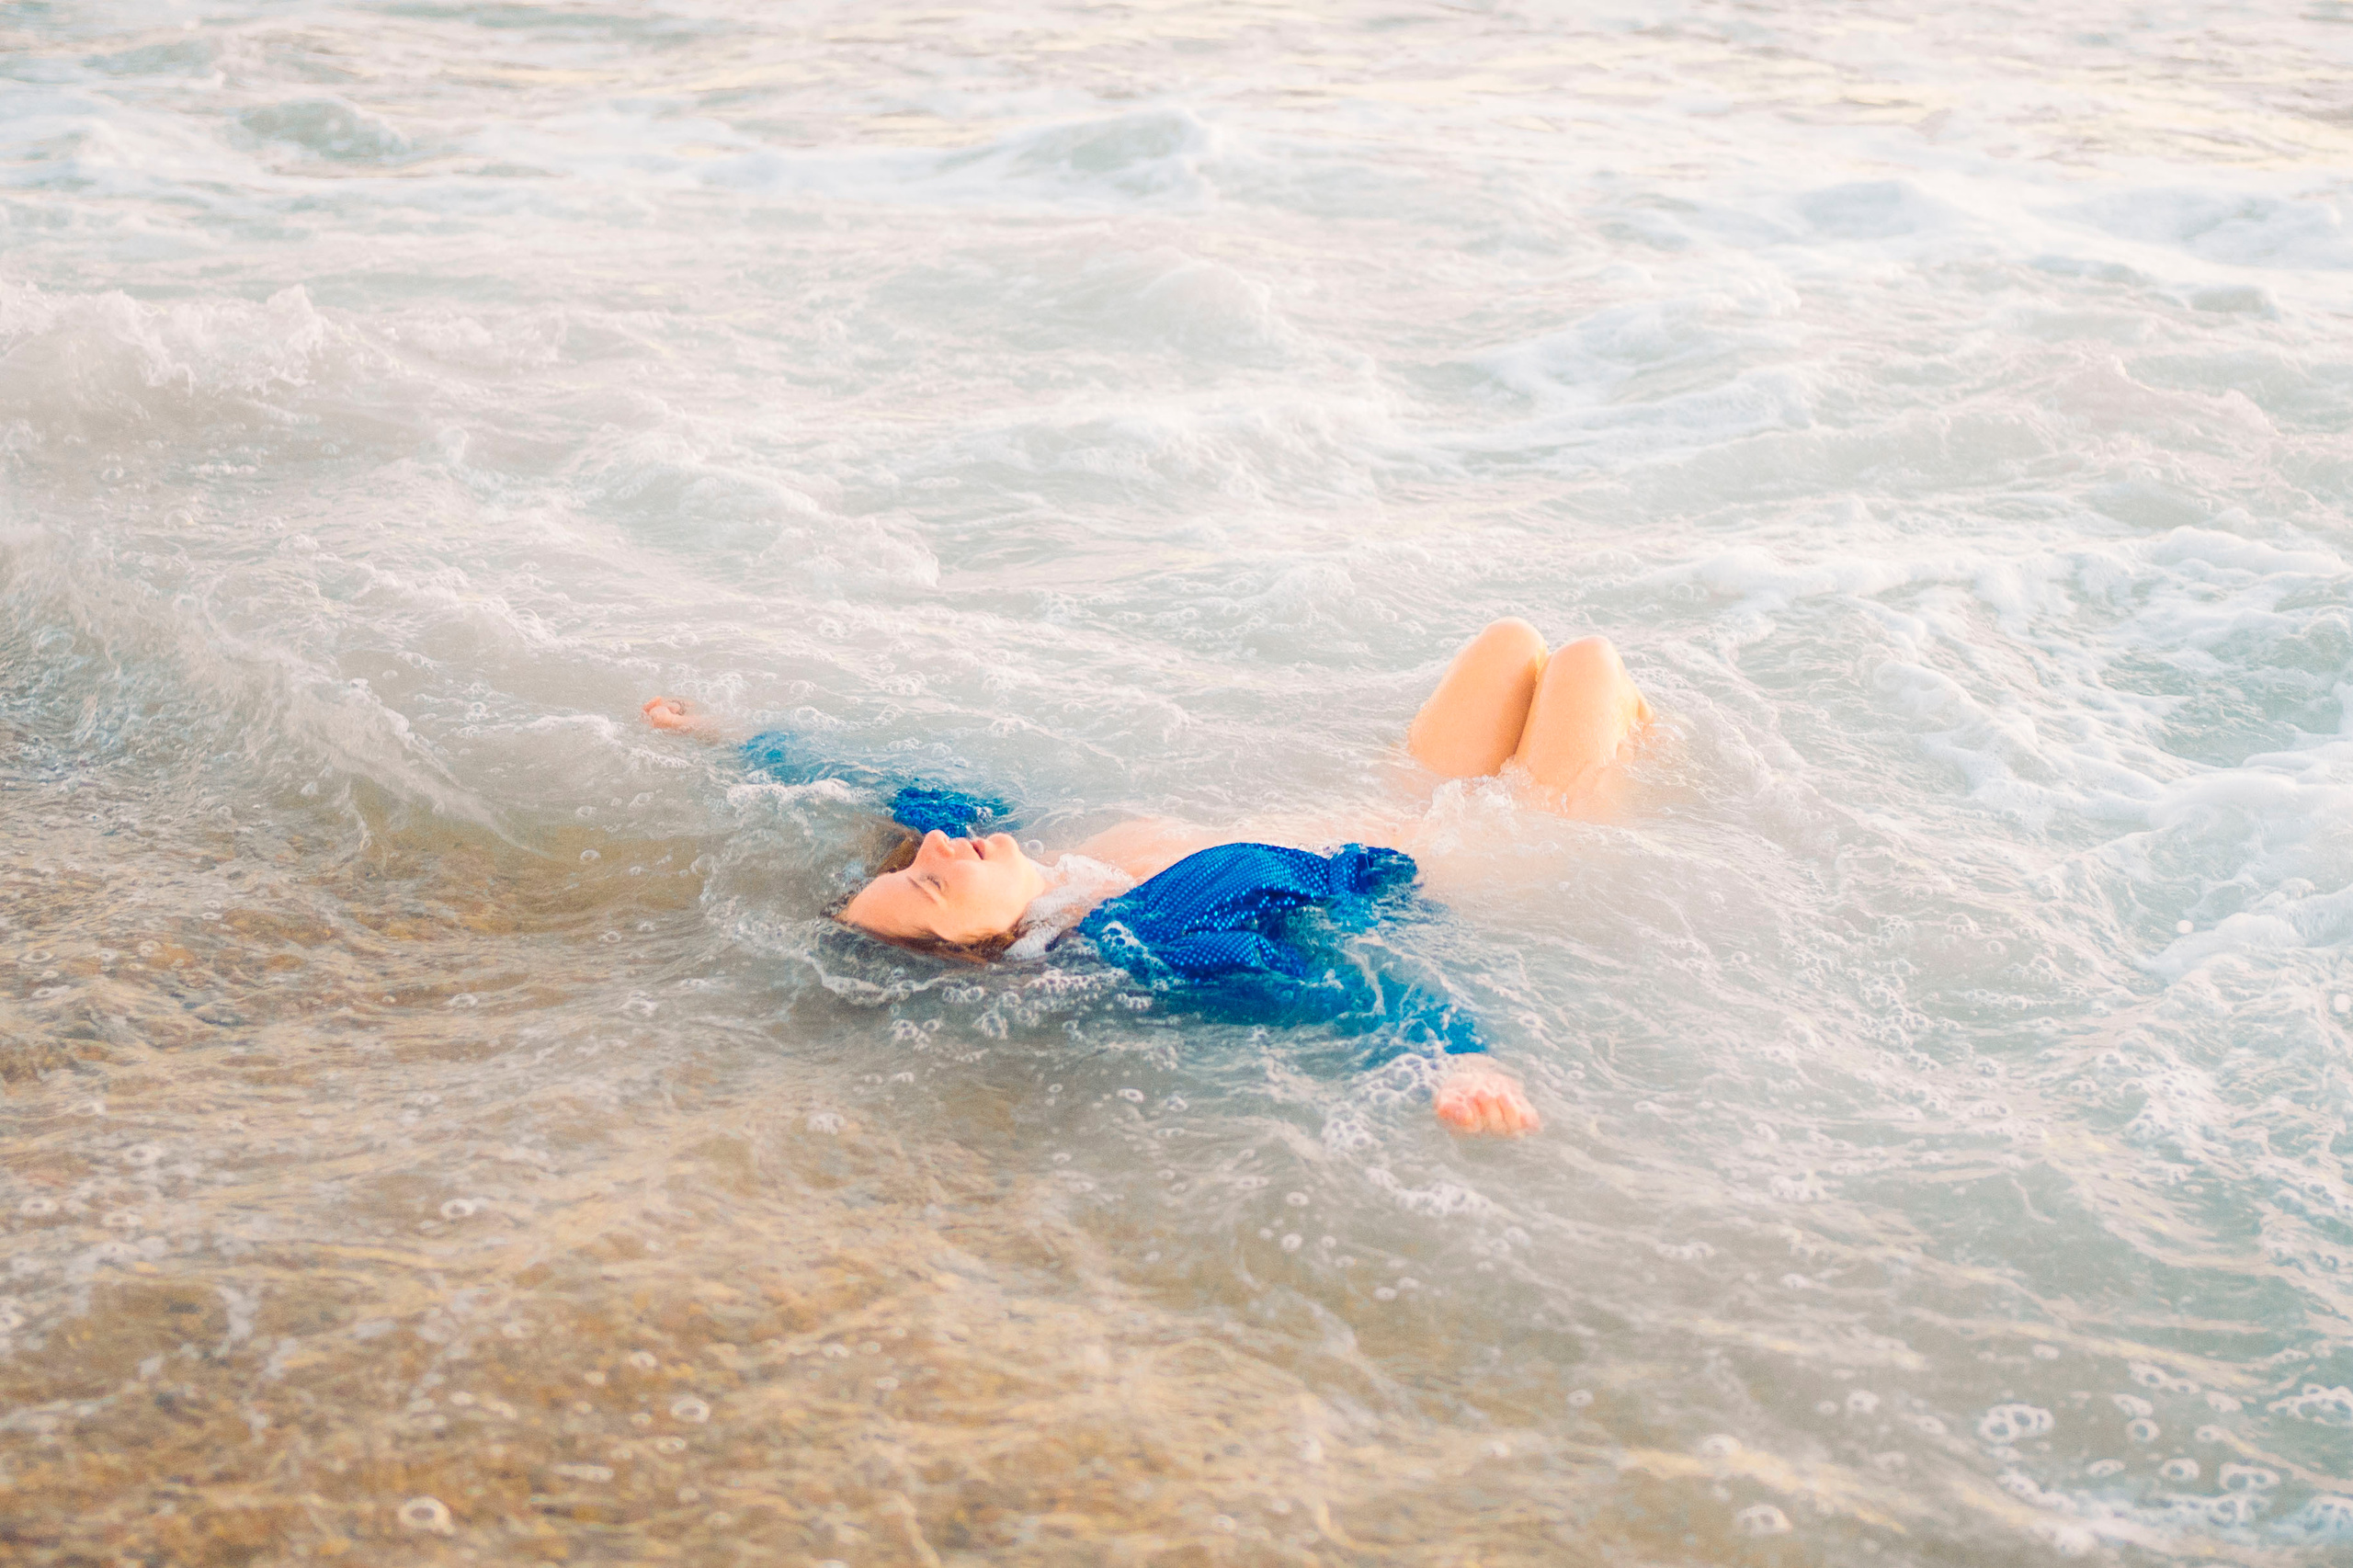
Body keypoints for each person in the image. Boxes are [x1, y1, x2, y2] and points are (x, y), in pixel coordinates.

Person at [643, 619, 1652, 1139]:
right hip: (1494, 843)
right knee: (1591, 661)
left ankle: (1639, 728)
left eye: (918, 864)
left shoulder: (1028, 855)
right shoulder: (1148, 939)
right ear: (993, 951)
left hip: (1402, 792)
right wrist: (1466, 1062)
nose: (940, 852)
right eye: (934, 887)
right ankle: (1647, 748)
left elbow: (883, 787)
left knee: (1514, 643)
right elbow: (1339, 991)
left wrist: (730, 738)